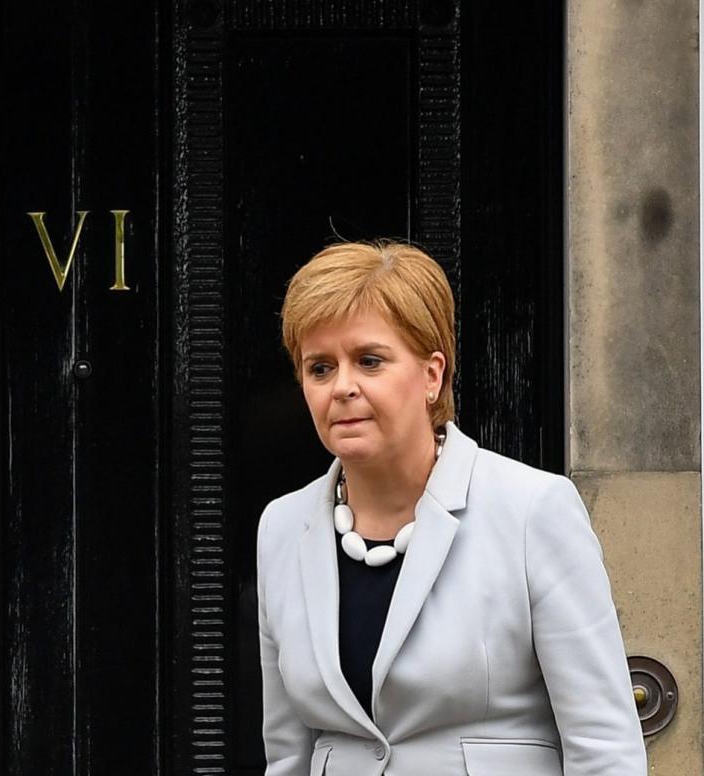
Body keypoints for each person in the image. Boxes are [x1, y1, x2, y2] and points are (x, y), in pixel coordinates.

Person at [257, 241, 646, 775]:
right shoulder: (282, 526)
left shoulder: (532, 509)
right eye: (320, 368)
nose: (342, 387)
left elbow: (605, 746)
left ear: (431, 375)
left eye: (369, 361)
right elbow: (288, 755)